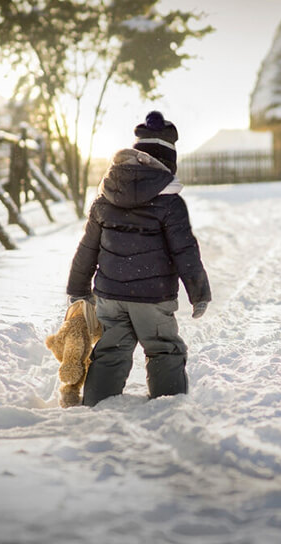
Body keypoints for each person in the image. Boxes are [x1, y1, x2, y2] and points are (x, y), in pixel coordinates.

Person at [65, 111, 211, 406]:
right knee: (163, 349)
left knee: (110, 351)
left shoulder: (105, 195)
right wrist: (199, 293)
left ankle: (97, 405)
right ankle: (167, 405)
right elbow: (186, 251)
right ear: (168, 163)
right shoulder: (170, 203)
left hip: (110, 296)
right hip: (153, 299)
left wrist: (78, 288)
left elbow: (87, 247)